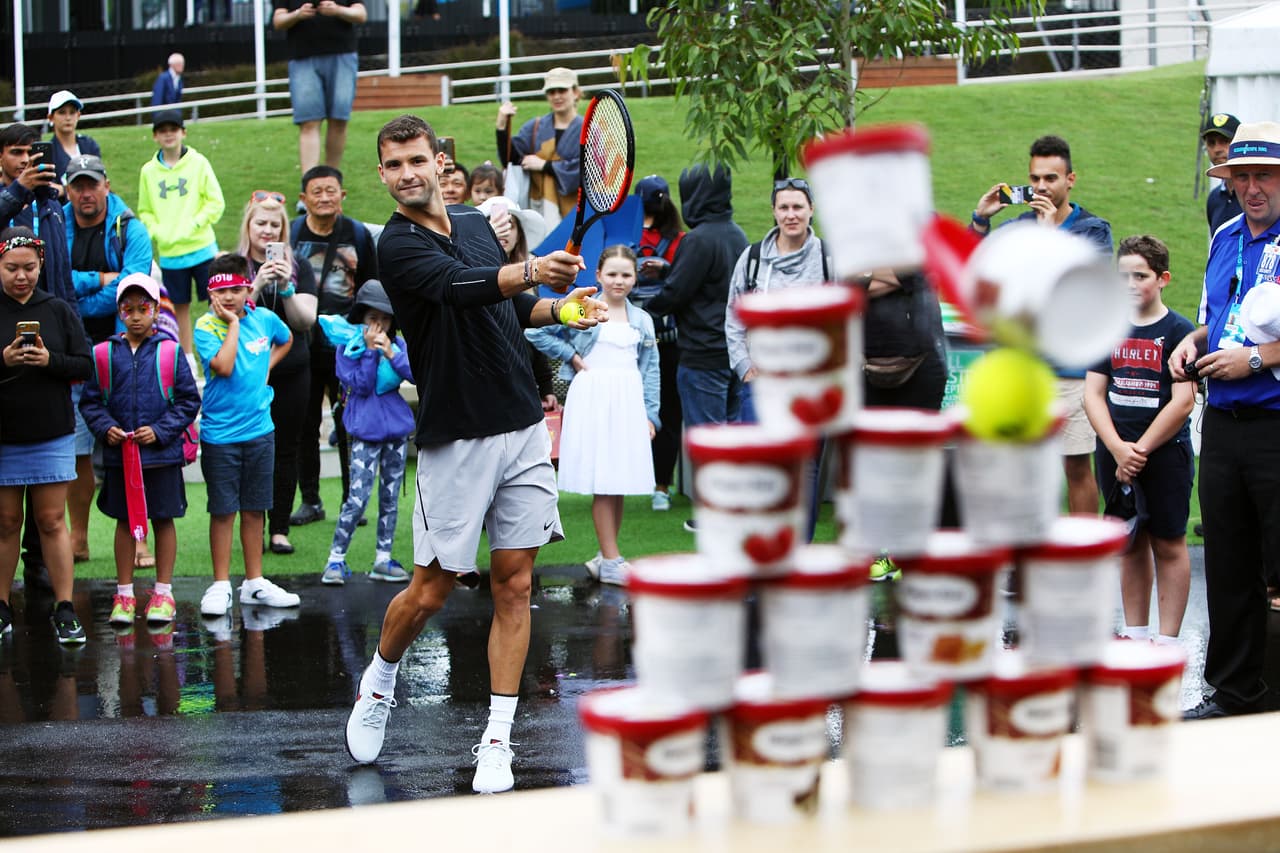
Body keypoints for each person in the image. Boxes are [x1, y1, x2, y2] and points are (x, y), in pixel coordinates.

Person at [344, 114, 601, 794]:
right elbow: (462, 291)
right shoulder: (394, 246)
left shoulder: (480, 226)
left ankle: (497, 737)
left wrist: (562, 310)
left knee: (515, 584)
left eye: (416, 160)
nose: (407, 173)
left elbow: (510, 311)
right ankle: (381, 677)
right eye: (393, 165)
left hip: (520, 423)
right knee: (430, 590)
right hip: (456, 433)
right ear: (383, 174)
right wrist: (530, 270)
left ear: (438, 160)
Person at [1170, 120, 1280, 719]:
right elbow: (1222, 317)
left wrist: (1257, 358)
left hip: (1276, 420)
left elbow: (1253, 343)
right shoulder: (1227, 234)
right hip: (1225, 423)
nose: (1252, 187)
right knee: (1230, 563)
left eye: (1263, 174)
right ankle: (1234, 695)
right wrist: (1192, 340)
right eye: (1241, 175)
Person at [969, 134, 1113, 516]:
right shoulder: (1017, 227)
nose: (1041, 187)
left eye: (1051, 178)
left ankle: (1083, 560)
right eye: (1035, 179)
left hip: (1071, 369)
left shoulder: (1094, 230)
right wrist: (981, 219)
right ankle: (1026, 562)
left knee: (1076, 467)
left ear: (1071, 179)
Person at [1084, 235, 1194, 645]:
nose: (1130, 285)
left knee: (1168, 541)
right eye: (1122, 276)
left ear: (1163, 278)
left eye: (1141, 276)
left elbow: (1183, 402)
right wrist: (1116, 447)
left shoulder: (1179, 331)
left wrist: (1140, 450)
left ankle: (1165, 642)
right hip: (1114, 452)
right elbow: (1093, 393)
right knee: (1129, 543)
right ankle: (1134, 633)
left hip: (1164, 455)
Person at [527, 245, 659, 585]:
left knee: (619, 483)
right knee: (604, 481)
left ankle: (606, 556)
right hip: (594, 397)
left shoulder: (642, 319)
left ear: (635, 277)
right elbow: (535, 330)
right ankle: (613, 559)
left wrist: (651, 415)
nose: (619, 281)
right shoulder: (584, 306)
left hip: (627, 402)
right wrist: (570, 355)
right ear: (598, 275)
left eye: (626, 274)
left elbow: (651, 370)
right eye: (612, 274)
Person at [79, 274, 200, 628]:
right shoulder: (103, 353)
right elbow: (91, 402)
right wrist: (106, 428)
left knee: (163, 519)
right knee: (123, 521)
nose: (135, 315)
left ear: (154, 310)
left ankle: (163, 591)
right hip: (120, 457)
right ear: (119, 311)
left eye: (143, 308)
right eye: (128, 309)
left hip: (160, 455)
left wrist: (160, 431)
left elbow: (188, 400)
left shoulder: (170, 351)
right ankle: (125, 594)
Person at [193, 255, 300, 621]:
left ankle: (254, 581)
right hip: (221, 435)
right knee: (223, 510)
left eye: (237, 289)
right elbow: (222, 366)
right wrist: (235, 324)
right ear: (210, 293)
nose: (230, 296)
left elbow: (286, 339)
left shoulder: (265, 319)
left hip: (260, 431)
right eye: (222, 290)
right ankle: (221, 583)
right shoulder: (206, 326)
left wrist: (265, 367)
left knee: (255, 508)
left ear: (247, 287)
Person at [0, 124, 83, 596]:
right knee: (7, 506)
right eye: (15, 154)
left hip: (54, 320)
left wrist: (67, 322)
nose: (26, 162)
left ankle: (41, 572)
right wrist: (17, 192)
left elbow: (60, 269)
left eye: (33, 154)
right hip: (3, 321)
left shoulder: (51, 202)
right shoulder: (11, 197)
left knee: (48, 488)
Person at [0, 227, 93, 643]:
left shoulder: (57, 309)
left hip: (51, 432)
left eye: (29, 268)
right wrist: (4, 359)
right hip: (4, 435)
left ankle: (65, 608)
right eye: (11, 268)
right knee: (4, 523)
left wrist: (48, 359)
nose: (21, 276)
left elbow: (84, 364)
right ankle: (1, 607)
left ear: (41, 266)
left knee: (52, 520)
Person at [643, 164, 747, 531]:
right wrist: (671, 270)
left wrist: (641, 312)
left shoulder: (699, 239)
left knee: (708, 437)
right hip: (734, 353)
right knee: (731, 434)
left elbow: (676, 294)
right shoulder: (736, 234)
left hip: (702, 354)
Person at [62, 152, 155, 565]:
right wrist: (96, 282)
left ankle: (140, 538)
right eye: (78, 185)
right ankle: (78, 539)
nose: (85, 192)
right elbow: (54, 281)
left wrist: (77, 297)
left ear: (107, 185)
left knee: (132, 443)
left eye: (92, 184)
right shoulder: (53, 222)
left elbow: (131, 292)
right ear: (68, 189)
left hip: (124, 349)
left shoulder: (130, 229)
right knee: (79, 451)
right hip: (73, 351)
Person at [289, 165, 378, 526]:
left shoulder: (357, 234)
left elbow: (372, 286)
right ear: (303, 198)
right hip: (302, 345)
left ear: (342, 195)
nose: (324, 197)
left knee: (348, 424)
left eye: (331, 191)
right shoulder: (292, 234)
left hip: (347, 347)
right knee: (304, 424)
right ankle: (310, 500)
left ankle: (351, 500)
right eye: (316, 191)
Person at [236, 190, 319, 555]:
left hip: (293, 369)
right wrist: (255, 285)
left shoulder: (299, 263)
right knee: (251, 451)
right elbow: (228, 318)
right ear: (249, 226)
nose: (267, 231)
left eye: (275, 225)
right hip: (247, 373)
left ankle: (280, 528)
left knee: (287, 448)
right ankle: (254, 525)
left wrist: (286, 287)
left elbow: (305, 321)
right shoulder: (233, 266)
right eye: (261, 223)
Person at [320, 281, 413, 585]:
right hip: (364, 430)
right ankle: (335, 560)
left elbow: (414, 373)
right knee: (357, 498)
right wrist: (371, 353)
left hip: (396, 430)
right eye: (372, 317)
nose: (378, 325)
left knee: (389, 497)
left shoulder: (398, 345)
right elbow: (359, 386)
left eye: (385, 319)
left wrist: (390, 353)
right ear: (361, 316)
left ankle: (383, 559)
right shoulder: (347, 348)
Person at [726, 177, 830, 423]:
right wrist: (743, 365)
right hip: (761, 384)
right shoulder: (752, 258)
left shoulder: (828, 259)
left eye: (798, 207)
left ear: (811, 209)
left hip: (811, 387)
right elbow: (734, 313)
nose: (791, 215)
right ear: (774, 211)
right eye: (784, 208)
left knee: (807, 462)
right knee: (759, 460)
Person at [137, 109, 225, 355]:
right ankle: (187, 361)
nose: (168, 135)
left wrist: (196, 223)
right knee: (179, 309)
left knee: (217, 304)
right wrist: (158, 232)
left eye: (173, 130)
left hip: (203, 248)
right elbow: (145, 211)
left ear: (183, 132)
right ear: (155, 136)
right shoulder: (148, 171)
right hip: (171, 253)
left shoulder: (198, 163)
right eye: (162, 131)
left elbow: (216, 202)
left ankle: (217, 354)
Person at [631, 174, 684, 512]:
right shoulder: (624, 236)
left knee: (666, 411)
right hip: (630, 336)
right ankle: (641, 478)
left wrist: (666, 272)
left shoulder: (681, 242)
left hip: (666, 338)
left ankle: (661, 482)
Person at [271, 0, 367, 175]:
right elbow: (278, 20)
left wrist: (337, 10)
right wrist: (298, 14)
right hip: (302, 57)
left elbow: (360, 14)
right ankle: (309, 185)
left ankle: (332, 182)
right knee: (309, 122)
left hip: (342, 53)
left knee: (339, 119)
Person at [495, 67, 582, 224]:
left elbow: (589, 172)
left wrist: (546, 165)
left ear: (575, 92)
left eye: (562, 90)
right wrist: (502, 127)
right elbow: (510, 159)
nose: (556, 96)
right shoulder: (535, 127)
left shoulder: (588, 129)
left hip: (577, 214)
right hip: (538, 211)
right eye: (551, 91)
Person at [46, 91, 101, 193]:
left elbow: (100, 181)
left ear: (78, 115)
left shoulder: (89, 145)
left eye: (72, 112)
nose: (68, 118)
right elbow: (50, 189)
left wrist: (64, 189)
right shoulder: (48, 152)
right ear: (51, 117)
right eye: (62, 112)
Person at [1202, 112, 1242, 236]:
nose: (1217, 149)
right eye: (1211, 143)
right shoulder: (1214, 199)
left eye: (1224, 141)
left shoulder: (1258, 193)